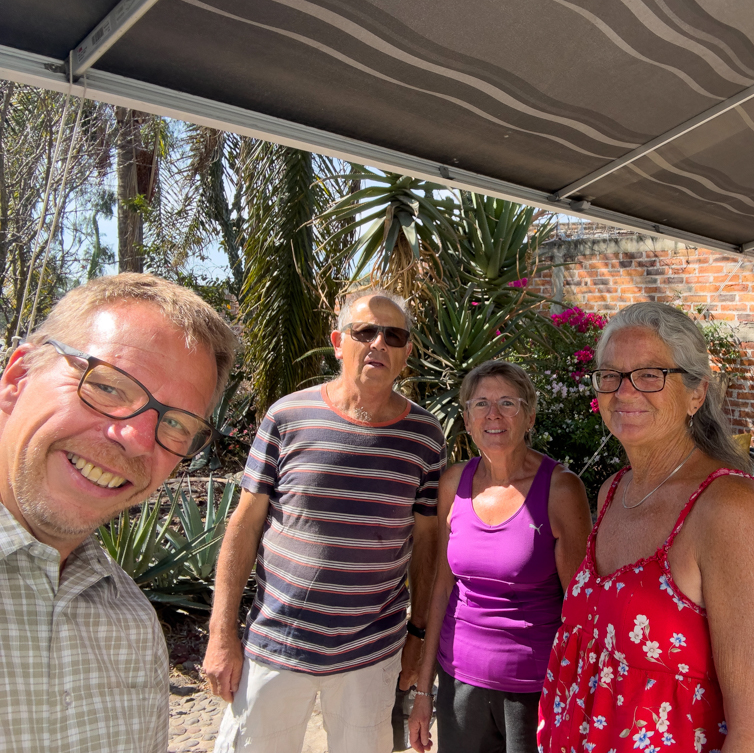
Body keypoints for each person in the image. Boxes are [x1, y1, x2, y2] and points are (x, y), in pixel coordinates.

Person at [538, 302, 754, 753]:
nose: (625, 391)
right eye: (610, 375)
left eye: (651, 374)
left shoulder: (730, 507)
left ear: (696, 394)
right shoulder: (614, 490)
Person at [0, 273, 238, 753]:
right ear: (17, 379)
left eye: (175, 424)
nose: (134, 438)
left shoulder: (131, 623)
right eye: (108, 387)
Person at [205, 288, 446, 753]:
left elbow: (427, 542)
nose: (379, 343)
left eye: (393, 335)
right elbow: (244, 525)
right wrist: (221, 634)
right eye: (365, 331)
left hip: (371, 653)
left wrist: (416, 636)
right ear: (339, 341)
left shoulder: (425, 436)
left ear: (407, 353)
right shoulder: (287, 416)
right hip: (277, 642)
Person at [409, 360, 592, 753]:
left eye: (508, 403)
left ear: (530, 416)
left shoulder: (561, 490)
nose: (493, 415)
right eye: (480, 405)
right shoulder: (453, 483)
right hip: (458, 683)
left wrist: (579, 698)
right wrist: (424, 689)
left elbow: (581, 609)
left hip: (533, 691)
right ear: (467, 419)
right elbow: (441, 588)